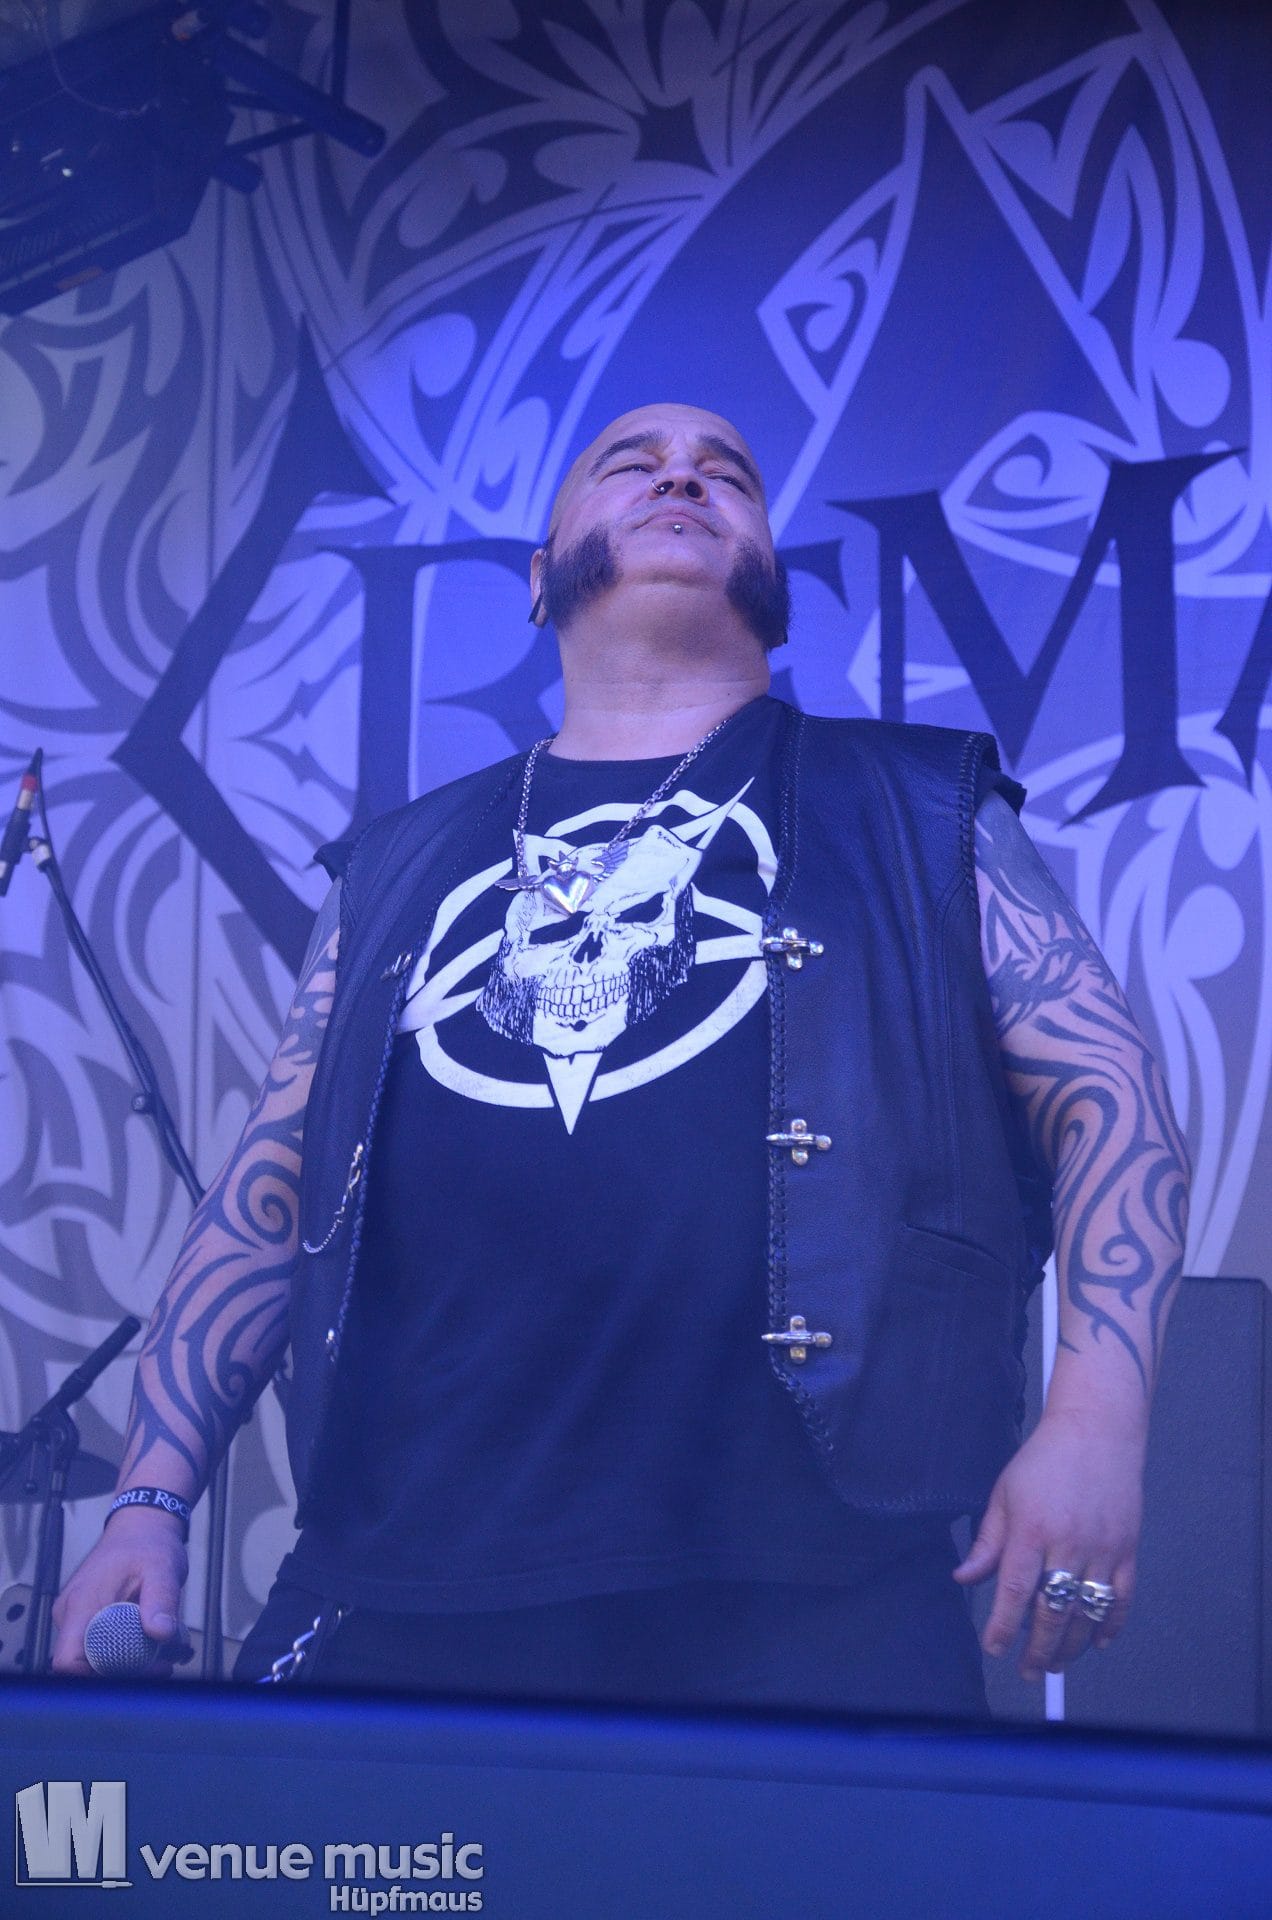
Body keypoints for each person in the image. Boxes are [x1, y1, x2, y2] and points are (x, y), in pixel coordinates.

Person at [51, 402, 1189, 1715]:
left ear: (773, 587)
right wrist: (147, 1501)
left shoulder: (916, 803)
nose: (683, 477)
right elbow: (267, 1192)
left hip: (819, 1592)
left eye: (727, 474)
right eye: (631, 464)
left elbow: (1112, 1103)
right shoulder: (397, 864)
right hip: (398, 1584)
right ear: (542, 579)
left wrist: (1096, 1421)